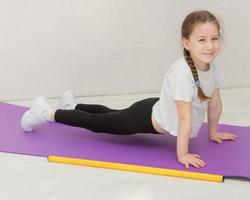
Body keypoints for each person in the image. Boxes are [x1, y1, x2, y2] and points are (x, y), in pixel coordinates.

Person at [20, 10, 237, 169]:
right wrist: (183, 155)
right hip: (144, 118)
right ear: (186, 43)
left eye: (214, 39)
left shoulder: (213, 66)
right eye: (202, 40)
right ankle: (46, 112)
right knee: (97, 124)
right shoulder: (182, 74)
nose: (210, 46)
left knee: (111, 115)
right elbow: (184, 119)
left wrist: (213, 132)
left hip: (153, 109)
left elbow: (215, 102)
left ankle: (71, 105)